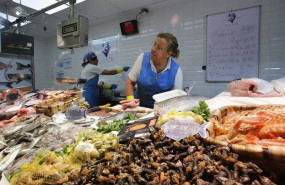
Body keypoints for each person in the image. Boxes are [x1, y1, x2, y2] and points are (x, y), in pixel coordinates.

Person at [125, 32, 183, 108]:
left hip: (161, 110)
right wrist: (130, 101)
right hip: (138, 107)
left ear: (168, 54)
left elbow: (176, 99)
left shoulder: (176, 71)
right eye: (154, 44)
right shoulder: (143, 58)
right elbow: (130, 82)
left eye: (159, 48)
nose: (153, 49)